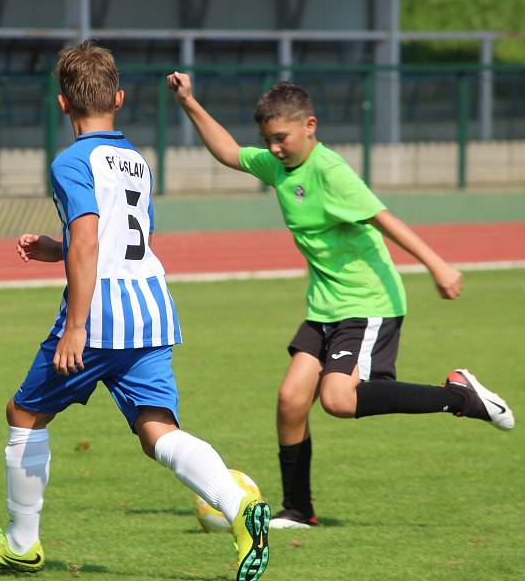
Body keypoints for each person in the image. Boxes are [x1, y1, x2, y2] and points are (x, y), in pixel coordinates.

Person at [0, 41, 270, 581]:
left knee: (24, 414)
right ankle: (241, 510)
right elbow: (123, 235)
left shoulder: (69, 161)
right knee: (157, 430)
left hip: (100, 313)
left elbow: (88, 239)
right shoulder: (138, 162)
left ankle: (20, 545)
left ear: (62, 104)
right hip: (150, 307)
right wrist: (56, 250)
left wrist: (75, 325)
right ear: (119, 99)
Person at [166, 73, 515, 530]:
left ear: (309, 125)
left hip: (367, 302)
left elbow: (384, 218)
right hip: (325, 305)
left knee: (337, 399)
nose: (274, 148)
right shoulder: (279, 167)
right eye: (268, 140)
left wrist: (438, 265)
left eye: (282, 138)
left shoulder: (330, 171)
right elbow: (229, 152)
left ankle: (460, 397)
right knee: (292, 399)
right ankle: (298, 510)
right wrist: (190, 102)